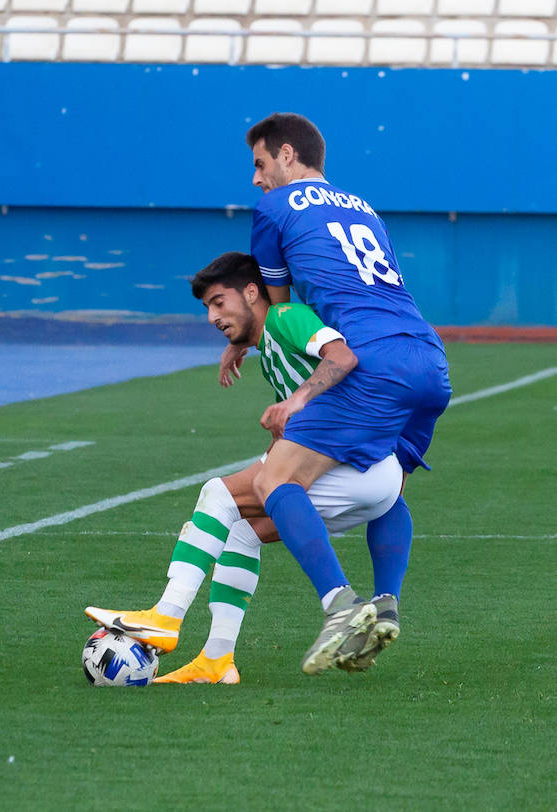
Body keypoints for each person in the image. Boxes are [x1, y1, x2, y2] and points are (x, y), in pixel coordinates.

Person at [85, 252, 412, 683]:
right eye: (206, 307)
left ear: (252, 292)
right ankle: (217, 661)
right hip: (377, 480)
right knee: (240, 531)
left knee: (218, 493)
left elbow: (342, 356)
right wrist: (244, 347)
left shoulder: (285, 316)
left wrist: (295, 402)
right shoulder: (269, 344)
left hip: (355, 463)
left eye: (219, 302)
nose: (211, 316)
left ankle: (165, 616)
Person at [226, 112, 451, 675]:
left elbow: (281, 309)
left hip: (371, 363)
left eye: (259, 164)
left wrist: (289, 383)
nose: (256, 179)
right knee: (388, 486)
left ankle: (338, 605)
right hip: (428, 357)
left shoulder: (273, 210)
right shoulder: (365, 208)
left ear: (285, 154)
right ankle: (386, 601)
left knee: (274, 478)